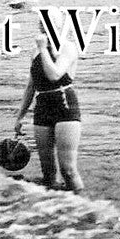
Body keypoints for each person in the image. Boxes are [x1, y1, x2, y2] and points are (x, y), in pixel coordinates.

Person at [14, 15, 84, 193]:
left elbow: (54, 75)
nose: (44, 27)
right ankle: (56, 212)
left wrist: (43, 48)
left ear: (59, 26)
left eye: (49, 23)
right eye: (42, 23)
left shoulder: (67, 47)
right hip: (42, 107)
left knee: (68, 170)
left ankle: (86, 210)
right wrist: (20, 116)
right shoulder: (36, 51)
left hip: (65, 106)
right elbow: (31, 86)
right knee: (48, 173)